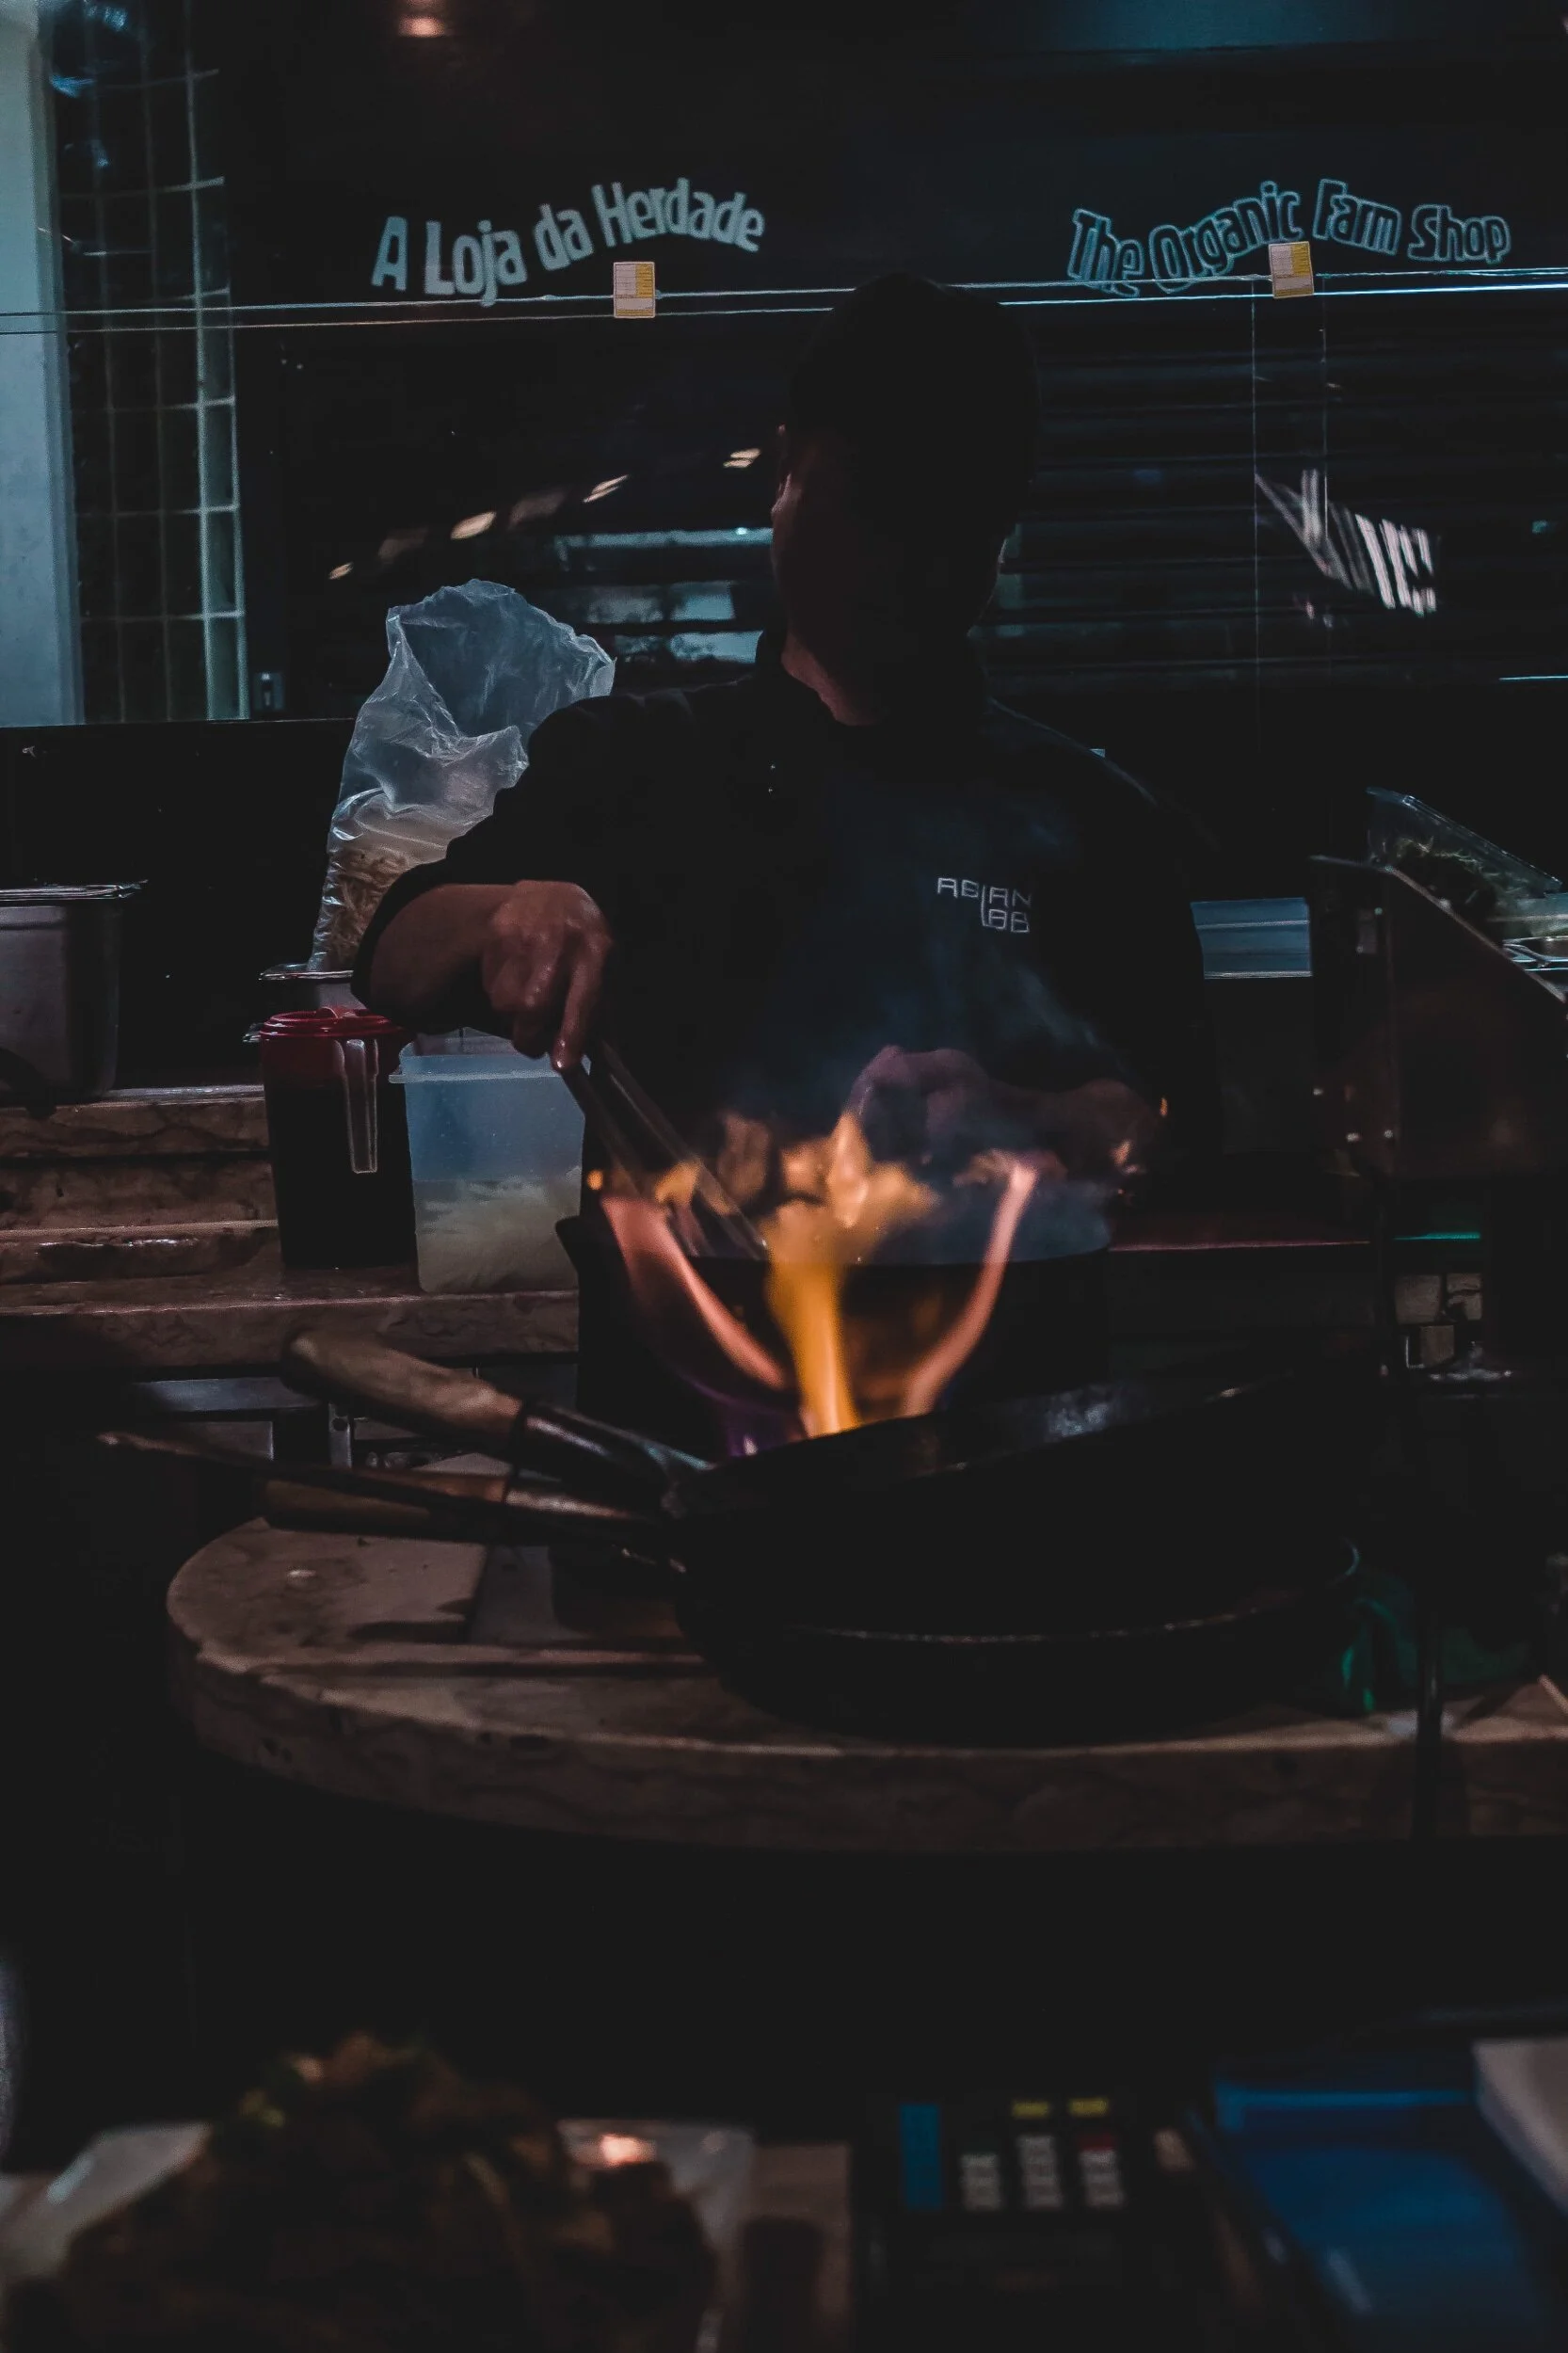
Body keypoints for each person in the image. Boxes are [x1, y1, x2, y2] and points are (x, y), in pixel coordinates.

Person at [358, 273, 1214, 1186]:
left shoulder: (1090, 818)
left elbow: (1178, 1123)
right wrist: (507, 912)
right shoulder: (630, 762)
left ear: (998, 540)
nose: (895, 562)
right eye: (867, 507)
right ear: (786, 475)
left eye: (944, 527)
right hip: (681, 1281)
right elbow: (391, 957)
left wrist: (1022, 1113)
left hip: (997, 1278)